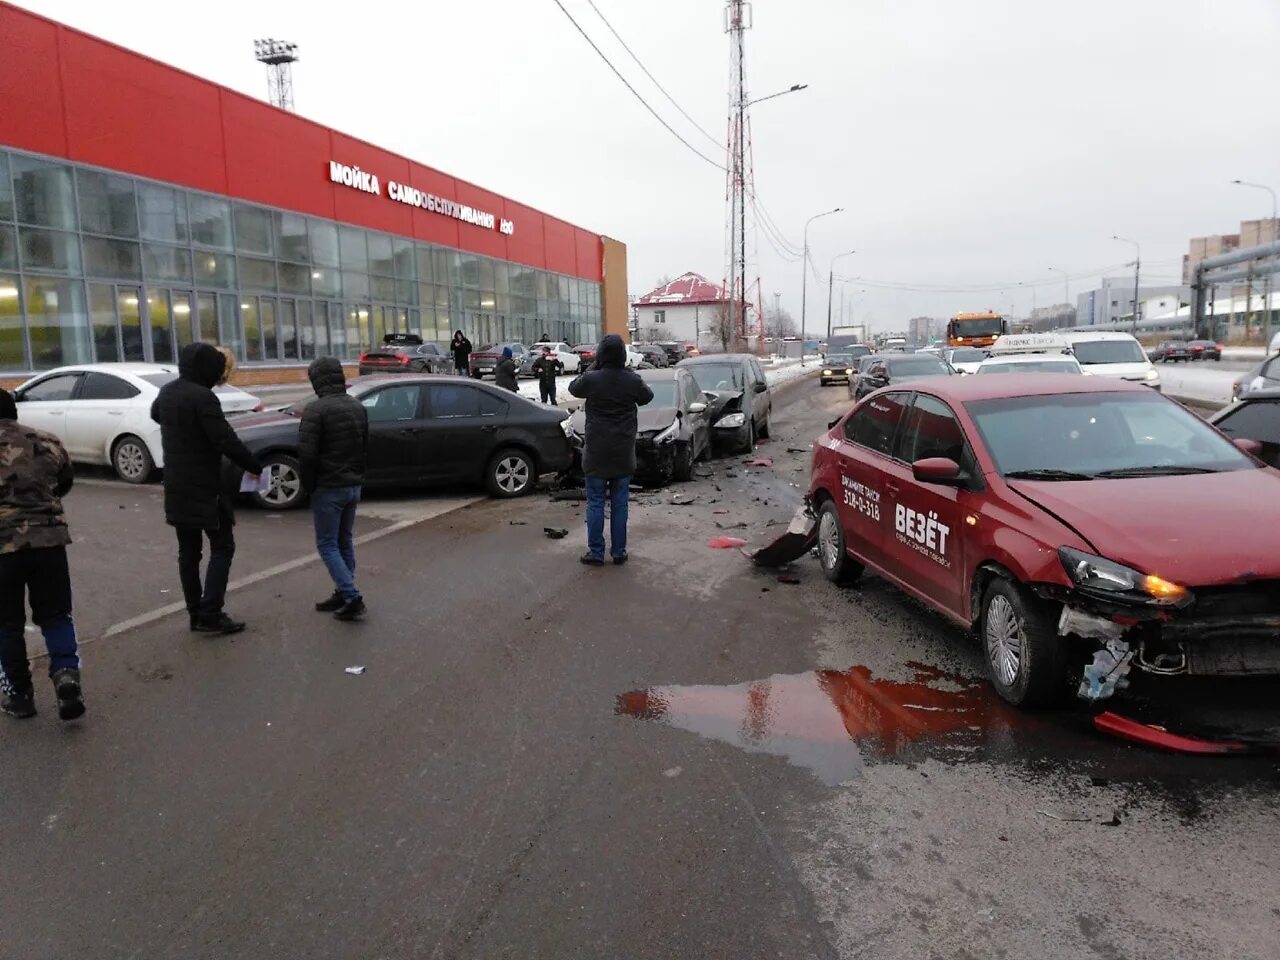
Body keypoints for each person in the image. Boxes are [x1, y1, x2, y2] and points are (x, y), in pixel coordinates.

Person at [150, 343, 263, 635]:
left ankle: (195, 613)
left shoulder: (168, 391)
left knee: (189, 552)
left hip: (176, 484)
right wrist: (254, 465)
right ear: (207, 368)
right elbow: (225, 440)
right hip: (205, 487)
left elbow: (155, 414)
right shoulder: (204, 398)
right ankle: (211, 612)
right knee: (223, 546)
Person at [0, 390, 84, 720]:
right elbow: (65, 481)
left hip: (3, 549)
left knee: (7, 625)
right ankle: (66, 675)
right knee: (55, 615)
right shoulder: (46, 440)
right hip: (49, 541)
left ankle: (19, 696)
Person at [568, 335, 653, 566]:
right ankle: (619, 551)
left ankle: (596, 552)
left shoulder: (592, 380)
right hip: (623, 452)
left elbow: (573, 387)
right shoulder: (632, 380)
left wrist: (596, 366)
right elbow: (648, 397)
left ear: (601, 355)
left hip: (596, 452)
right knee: (620, 503)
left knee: (595, 502)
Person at [298, 357, 369, 622]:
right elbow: (364, 445)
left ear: (316, 380)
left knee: (327, 544)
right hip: (352, 485)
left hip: (328, 487)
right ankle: (343, 590)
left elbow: (306, 455)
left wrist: (308, 485)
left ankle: (351, 595)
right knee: (343, 541)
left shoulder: (316, 411)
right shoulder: (356, 406)